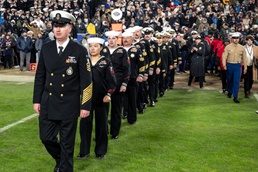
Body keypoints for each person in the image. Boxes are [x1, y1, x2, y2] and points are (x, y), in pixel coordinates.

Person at [33, 10, 92, 172]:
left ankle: (65, 168)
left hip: (69, 104)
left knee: (67, 143)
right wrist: (37, 100)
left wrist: (85, 105)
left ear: (70, 28)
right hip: (48, 102)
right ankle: (61, 159)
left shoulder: (79, 50)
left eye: (62, 26)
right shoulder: (46, 48)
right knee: (46, 137)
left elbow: (86, 81)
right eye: (55, 26)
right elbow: (40, 77)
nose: (57, 29)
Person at [77, 37, 117, 159]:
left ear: (101, 48)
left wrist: (108, 94)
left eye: (95, 46)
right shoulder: (84, 61)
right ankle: (84, 151)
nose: (93, 48)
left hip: (101, 99)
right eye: (91, 46)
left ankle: (100, 151)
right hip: (86, 98)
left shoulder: (106, 62)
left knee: (102, 125)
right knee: (85, 125)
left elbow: (112, 81)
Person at [222, 32, 247, 103]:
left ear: (239, 39)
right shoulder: (228, 47)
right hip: (229, 65)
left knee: (236, 81)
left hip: (237, 66)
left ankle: (235, 97)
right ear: (232, 39)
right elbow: (224, 57)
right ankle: (230, 91)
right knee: (229, 80)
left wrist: (245, 68)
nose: (236, 39)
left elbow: (244, 59)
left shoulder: (242, 48)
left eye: (237, 38)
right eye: (234, 38)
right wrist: (224, 65)